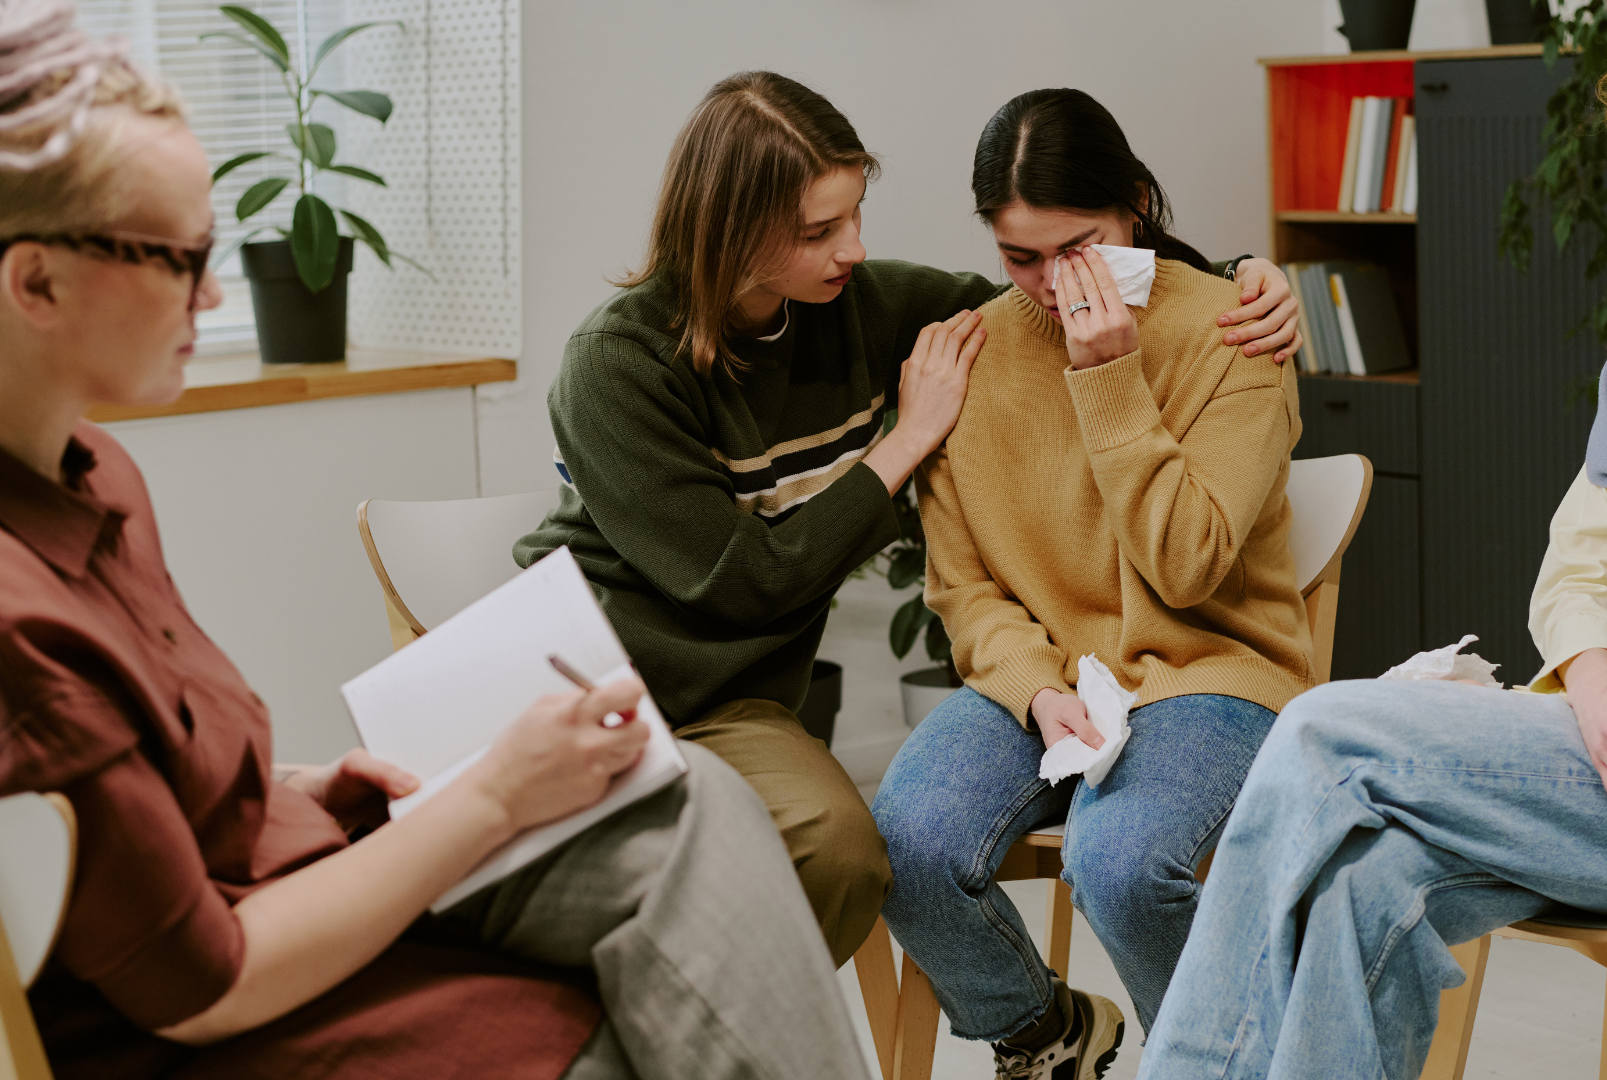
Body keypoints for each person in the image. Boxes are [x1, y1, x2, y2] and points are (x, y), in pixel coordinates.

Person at [0, 5, 867, 1078]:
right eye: (180, 257)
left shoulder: (99, 481)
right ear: (35, 282)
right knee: (632, 963)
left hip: (281, 869)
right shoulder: (18, 617)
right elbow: (203, 983)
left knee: (696, 799)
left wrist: (293, 788)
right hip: (217, 996)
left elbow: (130, 793)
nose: (215, 290)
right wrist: (496, 792)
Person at [1136, 13, 1607, 1079]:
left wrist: (1604, 695)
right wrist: (1594, 681)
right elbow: (1587, 564)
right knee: (1368, 883)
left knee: (1325, 730)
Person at [513, 70, 1303, 967]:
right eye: (818, 232)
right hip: (589, 671)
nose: (851, 249)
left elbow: (1086, 314)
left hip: (758, 697)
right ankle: (1009, 1032)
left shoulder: (871, 306)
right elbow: (782, 583)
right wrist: (911, 446)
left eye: (854, 215)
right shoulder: (622, 363)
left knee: (983, 858)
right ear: (731, 231)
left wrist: (1243, 277)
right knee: (875, 850)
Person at [869, 87, 1315, 1079]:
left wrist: (1108, 376)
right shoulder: (970, 356)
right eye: (1018, 256)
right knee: (901, 839)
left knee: (1116, 863)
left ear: (1138, 206)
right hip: (1051, 676)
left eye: (1077, 245)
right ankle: (1048, 1036)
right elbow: (964, 586)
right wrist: (1033, 685)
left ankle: (1224, 1063)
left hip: (1212, 670)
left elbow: (1187, 563)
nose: (1049, 282)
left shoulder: (1236, 333)